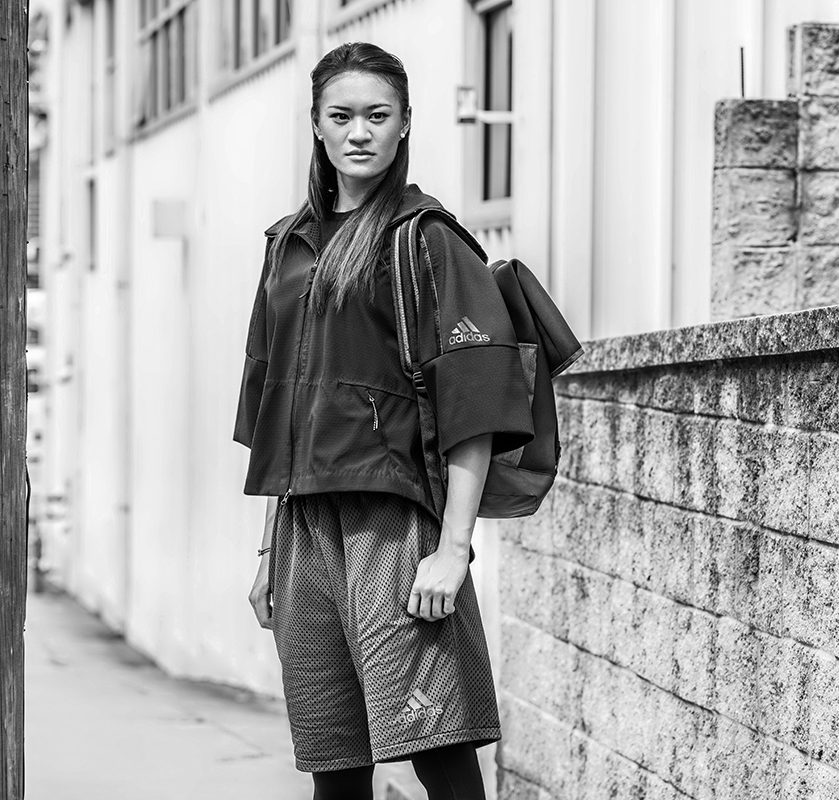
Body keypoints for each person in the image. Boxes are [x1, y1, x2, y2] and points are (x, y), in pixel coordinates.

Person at [232, 42, 534, 800]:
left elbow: (476, 405)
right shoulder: (287, 248)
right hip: (305, 530)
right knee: (334, 767)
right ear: (317, 125)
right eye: (341, 116)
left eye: (377, 115)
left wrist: (454, 550)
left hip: (394, 526)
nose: (359, 132)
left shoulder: (425, 239)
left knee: (439, 750)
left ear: (404, 124)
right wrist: (269, 552)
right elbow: (281, 414)